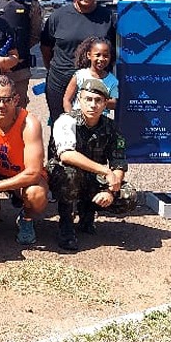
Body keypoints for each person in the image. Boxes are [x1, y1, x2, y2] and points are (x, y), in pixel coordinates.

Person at [48, 77, 137, 252]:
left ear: (105, 103)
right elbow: (66, 155)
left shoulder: (111, 127)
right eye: (88, 99)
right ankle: (66, 224)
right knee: (69, 173)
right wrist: (105, 171)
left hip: (93, 178)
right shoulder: (66, 121)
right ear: (79, 100)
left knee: (129, 196)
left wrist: (110, 190)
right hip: (63, 177)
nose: (92, 105)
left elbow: (118, 163)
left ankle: (87, 211)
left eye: (98, 100)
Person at [0, 75, 48, 245]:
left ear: (16, 99)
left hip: (22, 176)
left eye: (6, 100)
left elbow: (33, 173)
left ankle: (26, 218)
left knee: (36, 195)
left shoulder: (29, 124)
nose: (1, 105)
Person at [41, 0, 116, 123]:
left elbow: (114, 51)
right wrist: (57, 70)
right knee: (62, 128)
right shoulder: (58, 16)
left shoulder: (108, 18)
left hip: (95, 87)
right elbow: (46, 48)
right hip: (60, 84)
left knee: (93, 129)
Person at [62, 37, 119, 115]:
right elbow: (67, 100)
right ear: (89, 55)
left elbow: (114, 104)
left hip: (100, 120)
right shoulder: (80, 75)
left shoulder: (112, 81)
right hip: (79, 119)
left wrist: (98, 99)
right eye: (97, 55)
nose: (101, 59)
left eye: (105, 56)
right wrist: (71, 116)